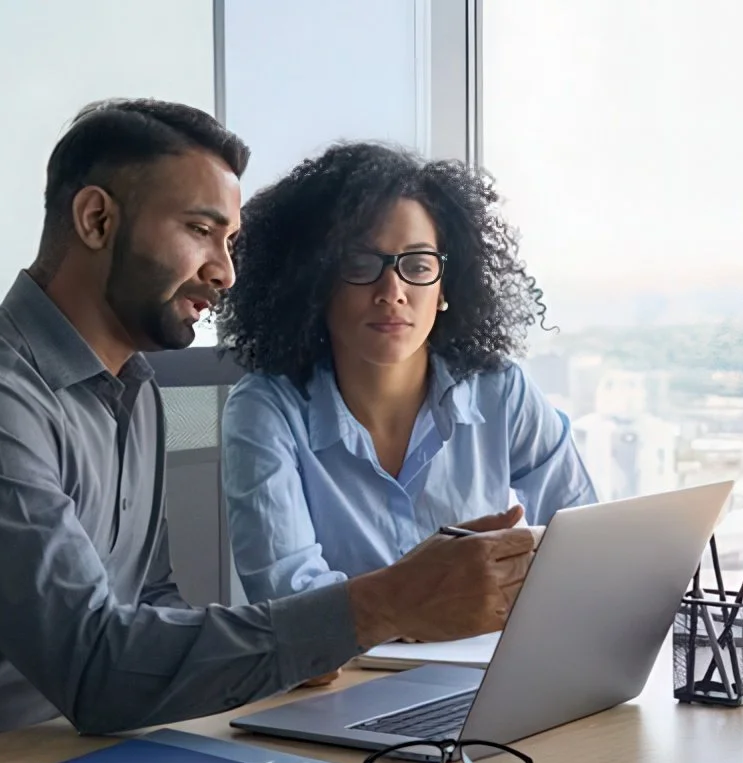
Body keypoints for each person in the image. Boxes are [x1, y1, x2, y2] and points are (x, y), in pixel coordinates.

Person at [0, 101, 536, 763]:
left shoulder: (133, 390)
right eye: (201, 231)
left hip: (77, 758)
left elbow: (149, 603)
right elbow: (96, 668)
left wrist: (301, 644)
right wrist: (378, 606)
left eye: (232, 241)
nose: (225, 273)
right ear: (96, 220)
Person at [216, 142, 597, 606]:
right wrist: (426, 603)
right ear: (314, 283)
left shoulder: (502, 392)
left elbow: (585, 543)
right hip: (345, 678)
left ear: (444, 288)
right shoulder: (266, 409)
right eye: (360, 264)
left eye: (417, 265)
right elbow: (289, 601)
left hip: (492, 667)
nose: (392, 291)